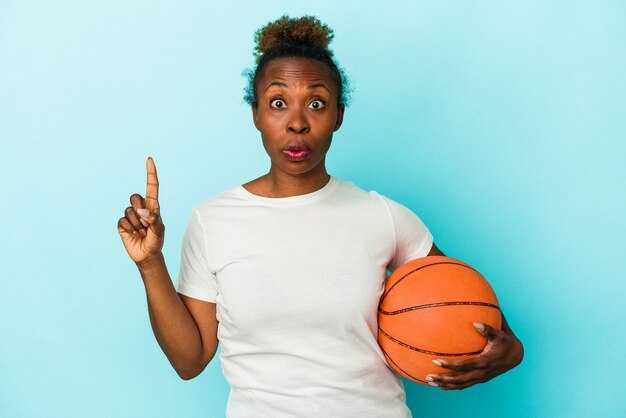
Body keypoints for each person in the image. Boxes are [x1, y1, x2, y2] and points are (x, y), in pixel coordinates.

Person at [117, 14, 523, 418]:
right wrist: (151, 263)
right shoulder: (213, 221)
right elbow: (190, 362)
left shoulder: (383, 216)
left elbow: (473, 311)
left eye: (316, 103)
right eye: (278, 103)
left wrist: (509, 352)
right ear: (255, 114)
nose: (297, 123)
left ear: (338, 116)